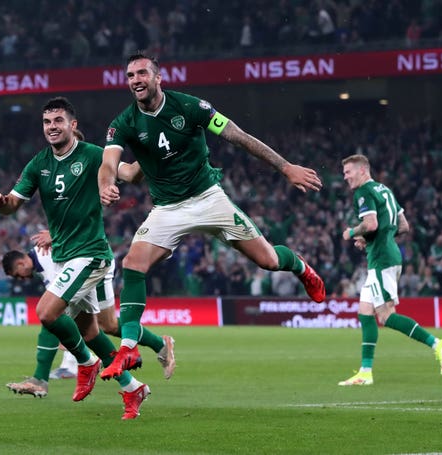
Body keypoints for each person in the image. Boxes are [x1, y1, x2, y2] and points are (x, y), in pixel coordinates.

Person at [98, 53, 326, 380]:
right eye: (130, 75)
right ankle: (129, 346)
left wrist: (285, 167)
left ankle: (301, 267)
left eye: (142, 73)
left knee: (269, 261)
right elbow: (109, 163)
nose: (136, 79)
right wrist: (107, 183)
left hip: (208, 199)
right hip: (167, 209)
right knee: (133, 265)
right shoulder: (123, 123)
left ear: (158, 77)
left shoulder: (191, 107)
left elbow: (238, 136)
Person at [0, 96, 168, 419]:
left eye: (58, 121)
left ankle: (86, 363)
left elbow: (128, 174)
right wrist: (1, 203)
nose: (51, 127)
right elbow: (13, 204)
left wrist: (152, 152)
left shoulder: (92, 155)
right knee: (92, 331)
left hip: (91, 255)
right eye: (46, 122)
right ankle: (133, 388)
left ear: (73, 125)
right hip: (65, 257)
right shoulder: (39, 163)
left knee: (47, 312)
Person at [338, 154, 442, 386]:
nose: (345, 177)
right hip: (386, 256)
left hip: (382, 260)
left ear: (362, 170)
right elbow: (403, 226)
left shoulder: (363, 192)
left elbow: (371, 224)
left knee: (385, 315)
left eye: (348, 172)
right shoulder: (384, 190)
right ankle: (365, 372)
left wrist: (352, 232)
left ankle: (438, 344)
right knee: (365, 311)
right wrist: (370, 239)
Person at [2, 243, 175, 394]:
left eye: (18, 274)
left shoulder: (44, 257)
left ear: (21, 262)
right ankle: (153, 354)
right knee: (103, 327)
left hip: (95, 264)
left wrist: (65, 335)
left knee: (53, 315)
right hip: (89, 264)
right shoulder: (41, 262)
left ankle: (41, 379)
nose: (21, 279)